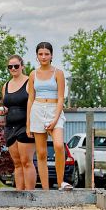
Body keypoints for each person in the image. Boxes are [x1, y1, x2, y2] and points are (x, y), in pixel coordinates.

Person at [26, 42, 72, 191]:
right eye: (41, 54)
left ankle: (60, 183)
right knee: (41, 153)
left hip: (54, 110)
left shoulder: (58, 73)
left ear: (51, 55)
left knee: (59, 145)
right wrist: (28, 124)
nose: (43, 57)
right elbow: (30, 99)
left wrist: (55, 119)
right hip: (37, 110)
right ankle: (45, 189)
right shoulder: (33, 74)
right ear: (37, 56)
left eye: (46, 54)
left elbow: (61, 99)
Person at [0, 55, 36, 190]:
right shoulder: (6, 85)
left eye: (16, 66)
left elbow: (33, 104)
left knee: (27, 162)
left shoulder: (29, 82)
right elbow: (7, 105)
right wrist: (3, 111)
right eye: (10, 67)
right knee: (17, 164)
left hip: (25, 126)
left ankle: (30, 195)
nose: (13, 69)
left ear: (22, 66)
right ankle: (19, 194)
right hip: (10, 127)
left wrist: (30, 126)